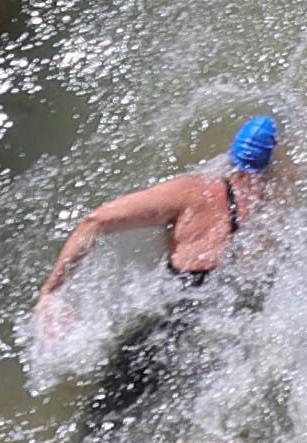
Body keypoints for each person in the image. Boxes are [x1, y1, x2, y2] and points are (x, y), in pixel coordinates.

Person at [39, 115, 281, 312]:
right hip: (226, 322)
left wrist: (50, 291)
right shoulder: (269, 209)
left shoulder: (193, 192)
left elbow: (95, 221)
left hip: (173, 320)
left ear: (232, 150)